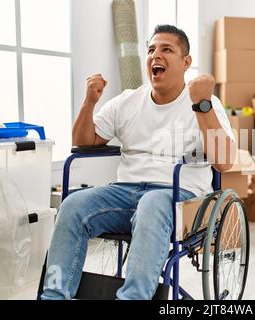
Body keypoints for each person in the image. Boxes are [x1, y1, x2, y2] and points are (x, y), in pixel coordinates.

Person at [41, 24, 236, 300]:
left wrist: (201, 103)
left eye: (166, 49)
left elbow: (225, 162)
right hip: (125, 191)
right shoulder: (128, 101)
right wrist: (89, 101)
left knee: (152, 203)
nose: (156, 55)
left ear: (186, 62)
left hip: (180, 197)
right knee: (72, 204)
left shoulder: (206, 103)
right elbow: (83, 143)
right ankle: (53, 295)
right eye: (151, 50)